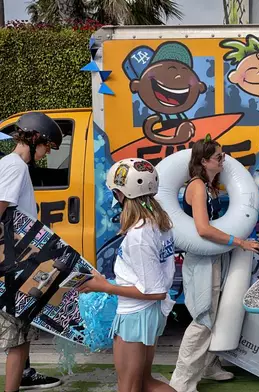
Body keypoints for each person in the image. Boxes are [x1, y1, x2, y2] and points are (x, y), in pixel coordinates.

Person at [170, 137, 259, 392]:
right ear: (203, 161)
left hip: (215, 256)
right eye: (219, 157)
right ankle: (181, 382)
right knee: (203, 318)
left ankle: (209, 365)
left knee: (218, 312)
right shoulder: (198, 186)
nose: (224, 160)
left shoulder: (211, 186)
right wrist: (240, 242)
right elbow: (202, 229)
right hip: (201, 259)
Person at [78, 158, 176, 392]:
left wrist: (104, 286)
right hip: (144, 314)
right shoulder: (158, 223)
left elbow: (154, 291)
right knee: (144, 383)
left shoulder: (139, 233)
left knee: (129, 386)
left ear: (121, 193)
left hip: (136, 315)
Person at [0, 112, 63, 392]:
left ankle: (23, 376)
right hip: (13, 265)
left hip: (17, 261)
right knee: (16, 336)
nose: (47, 153)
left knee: (22, 330)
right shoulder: (16, 167)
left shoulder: (11, 165)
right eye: (48, 147)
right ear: (36, 138)